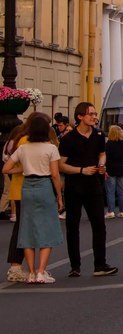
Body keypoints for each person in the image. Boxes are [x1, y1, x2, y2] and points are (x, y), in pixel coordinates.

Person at [57, 102, 118, 278]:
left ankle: (100, 264)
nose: (94, 117)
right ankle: (75, 265)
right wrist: (81, 170)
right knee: (72, 226)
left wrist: (101, 165)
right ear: (80, 117)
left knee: (99, 224)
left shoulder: (99, 135)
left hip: (94, 185)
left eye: (94, 114)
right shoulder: (68, 139)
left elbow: (102, 153)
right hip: (74, 186)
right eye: (90, 114)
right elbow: (61, 165)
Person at [2, 115, 63, 284]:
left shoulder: (23, 148)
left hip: (27, 186)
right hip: (44, 185)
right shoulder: (51, 148)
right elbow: (55, 175)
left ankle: (30, 272)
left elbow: (6, 168)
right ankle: (41, 272)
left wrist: (22, 168)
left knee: (27, 228)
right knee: (47, 227)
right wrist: (59, 196)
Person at [103, 125, 123, 219]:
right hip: (122, 169)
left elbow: (105, 158)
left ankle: (111, 211)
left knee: (110, 191)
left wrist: (104, 169)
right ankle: (122, 211)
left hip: (110, 169)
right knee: (121, 190)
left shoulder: (108, 144)